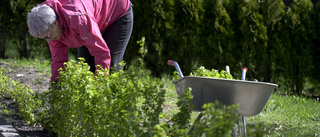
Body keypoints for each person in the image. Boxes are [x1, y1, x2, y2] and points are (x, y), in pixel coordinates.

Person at [27, 0, 133, 82]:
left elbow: (101, 53)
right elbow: (58, 59)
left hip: (117, 13)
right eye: (44, 38)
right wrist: (56, 84)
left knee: (112, 66)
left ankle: (115, 103)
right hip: (92, 16)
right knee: (86, 66)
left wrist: (99, 86)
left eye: (48, 36)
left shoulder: (78, 19)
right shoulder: (50, 26)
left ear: (55, 23)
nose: (48, 40)